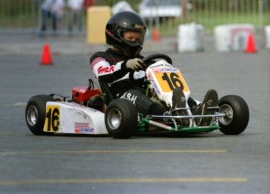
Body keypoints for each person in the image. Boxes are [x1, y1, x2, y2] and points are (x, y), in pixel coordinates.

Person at [90, 11, 218, 125]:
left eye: (137, 38)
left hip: (145, 90)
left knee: (172, 91)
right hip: (121, 95)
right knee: (136, 95)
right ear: (115, 36)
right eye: (130, 38)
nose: (135, 42)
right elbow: (103, 73)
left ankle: (196, 111)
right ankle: (167, 117)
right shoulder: (100, 57)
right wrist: (126, 65)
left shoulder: (143, 59)